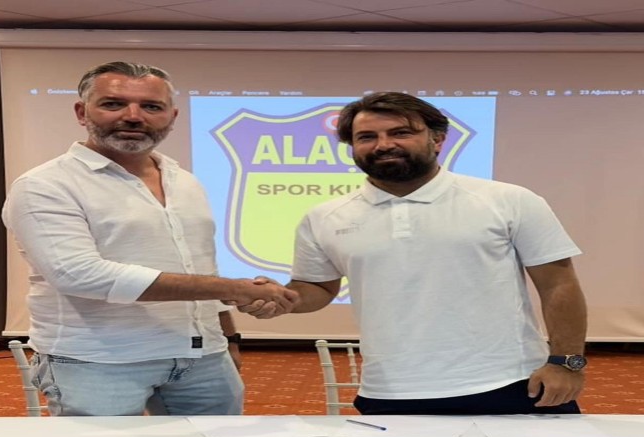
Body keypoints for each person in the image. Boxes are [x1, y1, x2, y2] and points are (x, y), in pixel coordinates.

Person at [238, 92, 588, 415]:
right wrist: (283, 300)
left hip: (513, 383)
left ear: (437, 139)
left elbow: (558, 284)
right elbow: (318, 288)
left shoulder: (509, 200)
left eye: (401, 133)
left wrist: (566, 363)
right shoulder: (324, 217)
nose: (384, 145)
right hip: (389, 391)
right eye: (367, 137)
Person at [2, 61, 299, 416]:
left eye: (151, 106)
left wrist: (227, 337)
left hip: (203, 357)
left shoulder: (183, 180)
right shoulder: (44, 185)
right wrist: (234, 288)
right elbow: (78, 274)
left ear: (172, 117)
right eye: (113, 104)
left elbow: (200, 265)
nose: (133, 116)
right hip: (97, 361)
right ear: (82, 112)